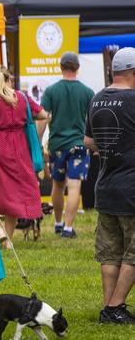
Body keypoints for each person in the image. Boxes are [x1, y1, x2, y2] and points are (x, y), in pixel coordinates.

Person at [84, 47, 135, 324]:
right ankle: (115, 306)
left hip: (105, 187)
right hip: (131, 188)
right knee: (132, 252)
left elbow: (89, 141)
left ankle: (109, 307)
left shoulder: (97, 98)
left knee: (111, 251)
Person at [0, 65, 47, 245]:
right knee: (15, 191)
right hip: (19, 145)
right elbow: (43, 115)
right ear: (10, 79)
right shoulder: (22, 97)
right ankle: (8, 239)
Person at [38, 52, 94, 238]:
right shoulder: (87, 92)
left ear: (61, 67)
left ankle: (58, 223)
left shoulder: (51, 91)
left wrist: (38, 142)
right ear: (77, 68)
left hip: (57, 145)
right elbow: (93, 120)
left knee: (58, 185)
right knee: (74, 184)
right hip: (79, 144)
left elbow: (43, 118)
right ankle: (69, 229)